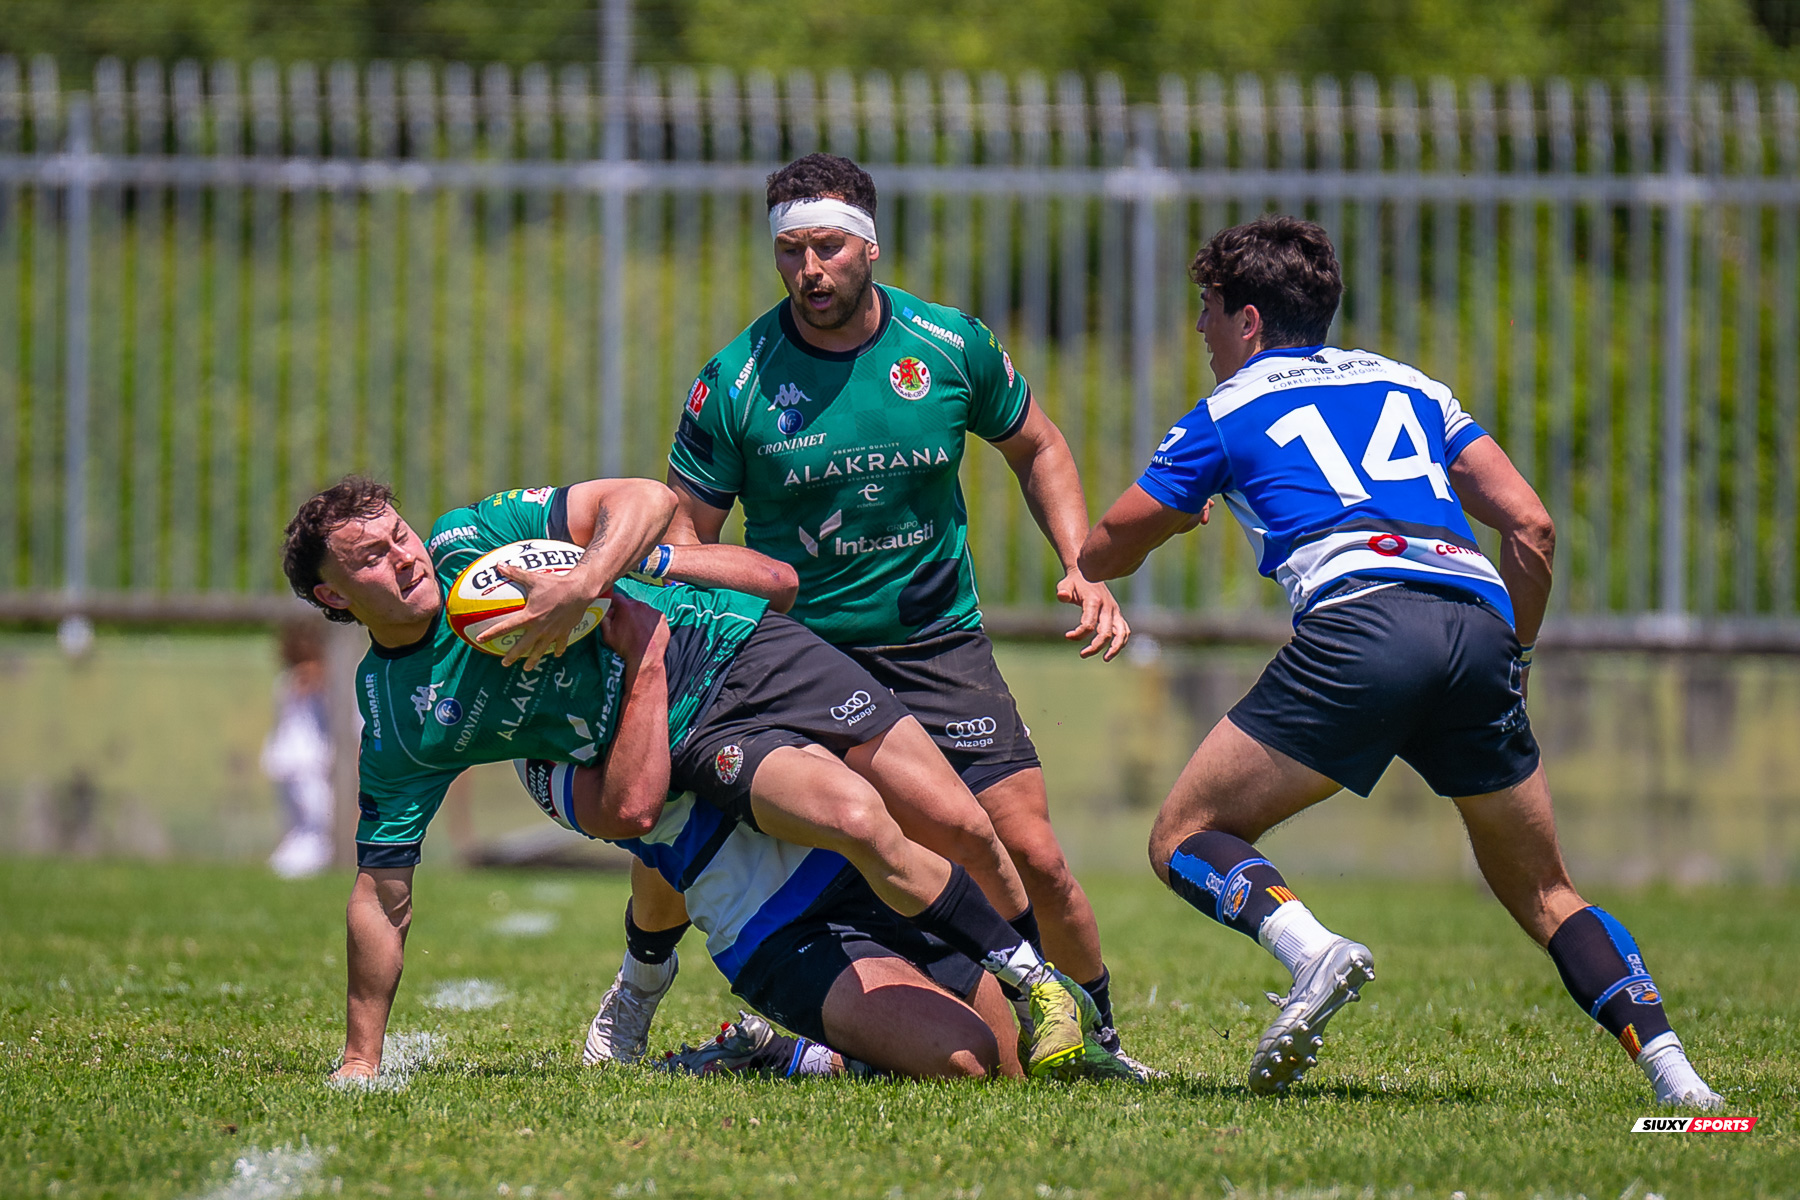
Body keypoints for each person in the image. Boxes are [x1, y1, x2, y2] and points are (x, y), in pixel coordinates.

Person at [1077, 215, 1724, 1109]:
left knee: (1183, 838)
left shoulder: (1226, 410)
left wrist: (1167, 525)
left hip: (1365, 627)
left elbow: (1104, 546)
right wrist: (1518, 657)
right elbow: (1529, 526)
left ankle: (1312, 953)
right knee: (1544, 889)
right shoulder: (1412, 386)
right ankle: (1682, 1085)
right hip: (1476, 622)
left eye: (1208, 310)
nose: (1200, 330)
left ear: (1251, 322)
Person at [582, 152, 1149, 1075]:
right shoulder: (736, 380)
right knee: (690, 816)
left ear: (870, 248)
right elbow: (687, 537)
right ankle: (639, 987)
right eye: (792, 250)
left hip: (936, 645)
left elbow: (1039, 445)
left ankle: (1100, 1042)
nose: (811, 270)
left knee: (1033, 854)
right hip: (792, 655)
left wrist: (1082, 566)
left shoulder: (946, 345)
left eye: (830, 248)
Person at [279, 474, 1124, 1081]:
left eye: (399, 535)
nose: (404, 558)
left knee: (963, 827)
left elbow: (660, 509)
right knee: (970, 1054)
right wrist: (361, 1059)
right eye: (370, 559)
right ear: (333, 595)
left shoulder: (479, 540)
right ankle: (773, 1044)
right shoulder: (428, 725)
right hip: (718, 796)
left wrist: (591, 579)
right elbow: (386, 888)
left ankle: (1055, 1001)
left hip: (738, 659)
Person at [515, 757, 1022, 1080]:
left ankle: (823, 1054)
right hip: (773, 924)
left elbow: (777, 586)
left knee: (1012, 1064)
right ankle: (649, 990)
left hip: (867, 866)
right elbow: (637, 811)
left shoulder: (679, 625)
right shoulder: (544, 747)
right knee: (969, 1060)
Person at [262, 616, 336, 879]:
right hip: (303, 761)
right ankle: (294, 867)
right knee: (315, 824)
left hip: (293, 760)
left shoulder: (288, 680)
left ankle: (288, 864)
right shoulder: (297, 680)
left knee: (307, 824)